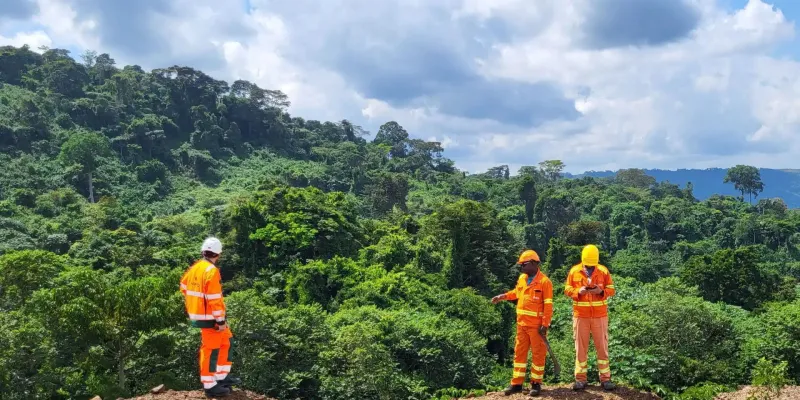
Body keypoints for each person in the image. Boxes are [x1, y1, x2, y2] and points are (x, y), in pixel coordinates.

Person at [180, 237, 242, 397]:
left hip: (201, 314)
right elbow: (214, 298)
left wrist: (195, 304)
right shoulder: (211, 271)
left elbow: (184, 286)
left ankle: (221, 376)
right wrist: (220, 320)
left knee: (227, 341)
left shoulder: (196, 267)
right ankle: (210, 384)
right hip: (210, 318)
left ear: (203, 251)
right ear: (218, 254)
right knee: (211, 349)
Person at [491, 250, 553, 397]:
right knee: (519, 353)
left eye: (523, 264)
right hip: (522, 324)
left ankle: (536, 384)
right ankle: (516, 384)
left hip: (537, 327)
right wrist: (503, 296)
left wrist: (545, 324)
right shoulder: (522, 279)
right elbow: (516, 293)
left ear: (533, 263)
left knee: (538, 355)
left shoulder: (545, 282)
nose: (521, 267)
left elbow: (548, 306)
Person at [564, 244, 616, 391]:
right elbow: (567, 289)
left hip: (600, 316)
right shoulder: (574, 271)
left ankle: (605, 379)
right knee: (580, 348)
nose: (590, 266)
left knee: (602, 348)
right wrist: (578, 291)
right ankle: (580, 379)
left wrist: (601, 291)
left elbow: (611, 290)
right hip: (580, 316)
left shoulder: (603, 271)